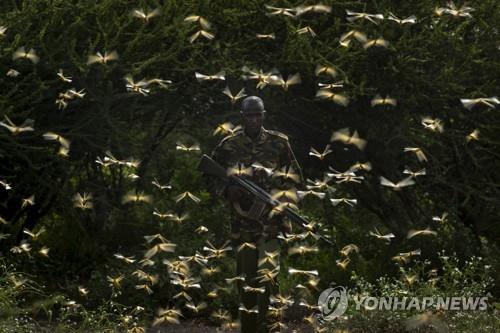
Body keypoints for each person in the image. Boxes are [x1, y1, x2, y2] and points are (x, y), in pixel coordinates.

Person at [211, 96, 302, 333]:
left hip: (271, 224)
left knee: (269, 279)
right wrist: (227, 190)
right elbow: (210, 175)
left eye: (257, 115)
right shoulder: (229, 145)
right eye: (249, 115)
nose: (254, 119)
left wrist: (282, 199)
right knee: (246, 282)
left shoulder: (279, 143)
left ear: (264, 115)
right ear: (243, 116)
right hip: (242, 226)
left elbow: (294, 178)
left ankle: (268, 329)